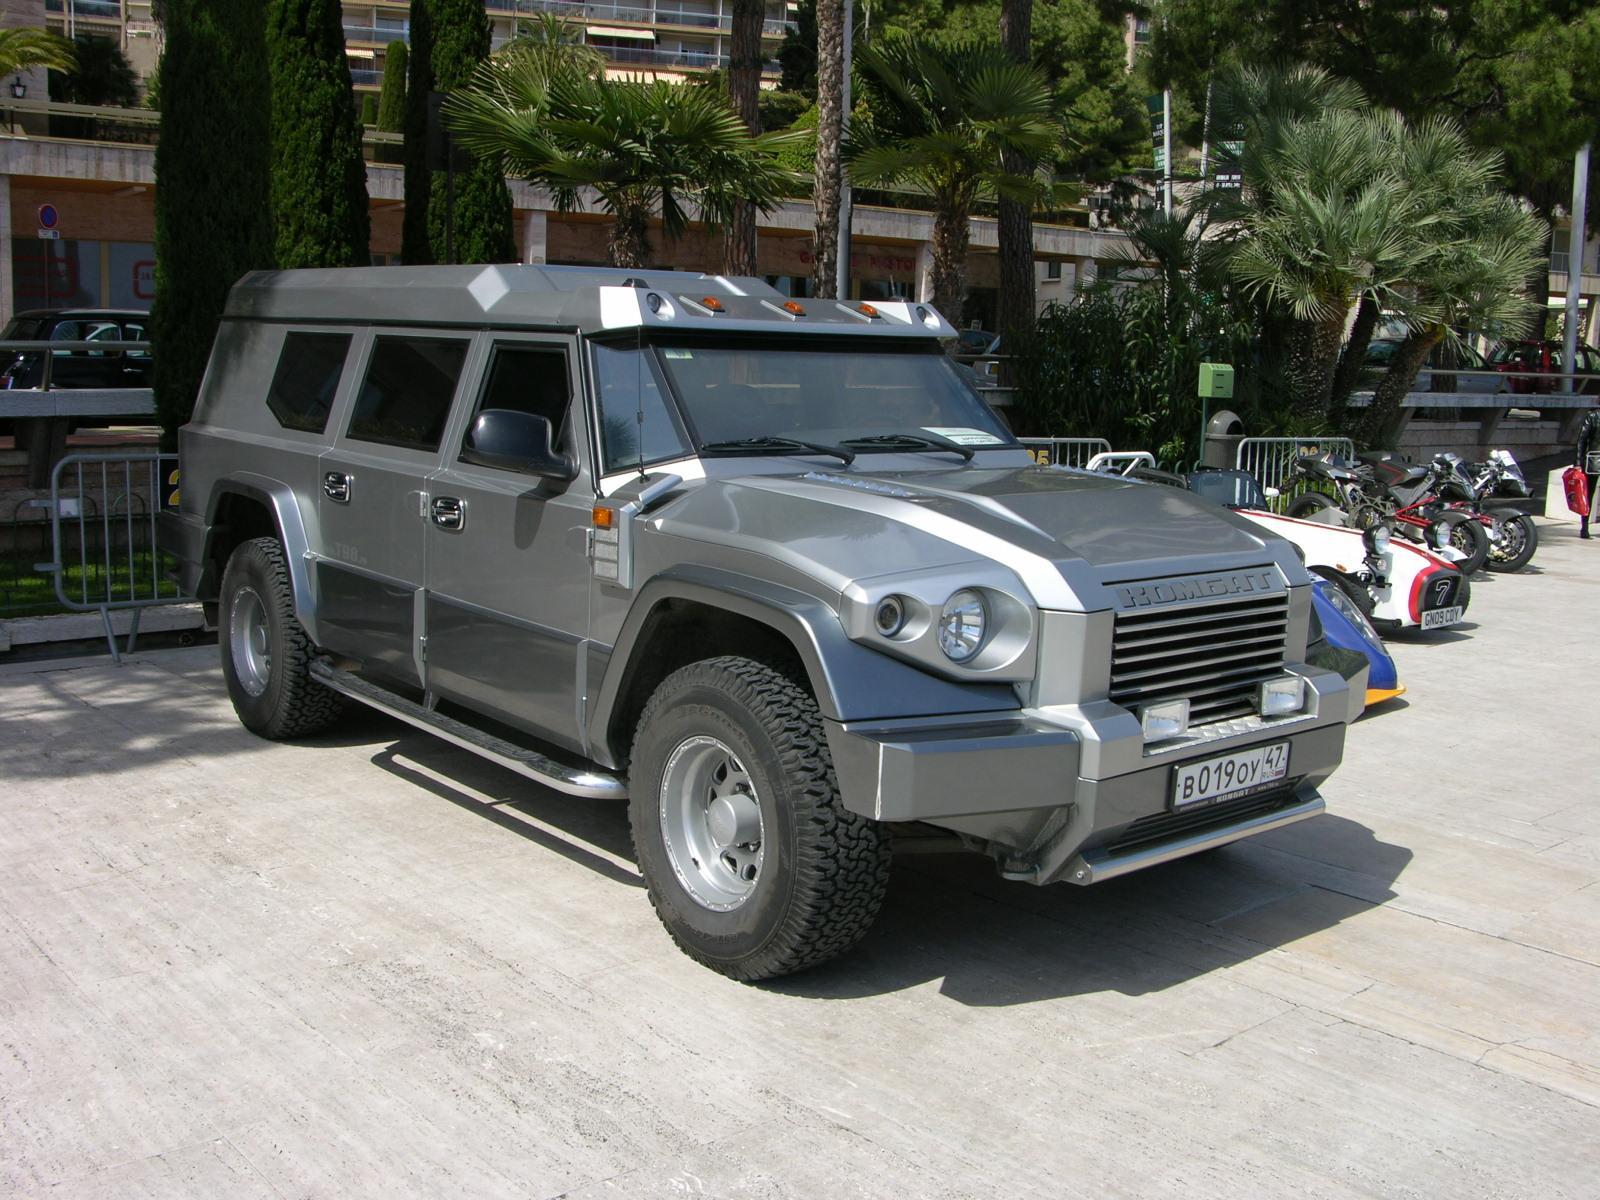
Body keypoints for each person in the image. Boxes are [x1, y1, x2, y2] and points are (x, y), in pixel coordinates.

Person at [1576, 407, 1600, 538]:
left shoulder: (1593, 416)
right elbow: (1582, 440)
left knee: (1589, 494)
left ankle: (1584, 528)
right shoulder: (1593, 416)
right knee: (1589, 494)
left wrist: (1578, 461)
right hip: (1593, 460)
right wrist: (1578, 462)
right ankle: (1584, 528)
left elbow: (1582, 440)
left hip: (1593, 459)